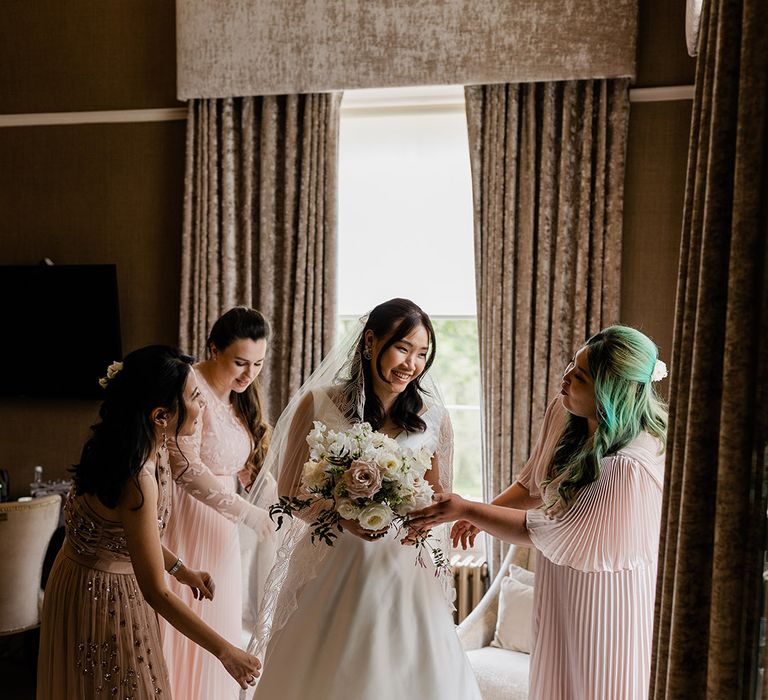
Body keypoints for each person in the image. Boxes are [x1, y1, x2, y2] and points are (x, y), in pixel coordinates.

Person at [408, 325, 668, 700]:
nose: (565, 378)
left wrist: (468, 509)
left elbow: (542, 529)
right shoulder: (567, 415)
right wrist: (478, 516)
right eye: (570, 365)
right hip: (561, 584)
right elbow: (532, 488)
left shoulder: (628, 467)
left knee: (594, 686)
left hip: (605, 603)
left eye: (580, 376)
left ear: (610, 391)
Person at [241, 298, 481, 699]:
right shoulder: (318, 402)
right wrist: (341, 517)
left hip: (403, 571)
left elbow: (436, 496)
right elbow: (288, 492)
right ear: (371, 341)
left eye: (422, 354)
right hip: (332, 561)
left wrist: (454, 513)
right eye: (403, 348)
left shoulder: (434, 417)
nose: (412, 364)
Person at [36, 346, 261, 699]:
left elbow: (126, 534)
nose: (203, 406)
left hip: (77, 578)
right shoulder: (137, 473)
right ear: (161, 415)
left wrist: (180, 568)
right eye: (194, 397)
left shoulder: (128, 444)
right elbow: (156, 592)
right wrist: (226, 651)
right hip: (103, 593)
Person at [160, 307, 274, 700]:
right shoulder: (189, 386)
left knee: (221, 624)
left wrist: (286, 506)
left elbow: (246, 470)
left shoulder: (241, 399)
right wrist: (248, 511)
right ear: (213, 349)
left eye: (258, 364)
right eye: (240, 362)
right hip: (184, 520)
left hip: (222, 532)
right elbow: (185, 468)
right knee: (183, 625)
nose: (249, 374)